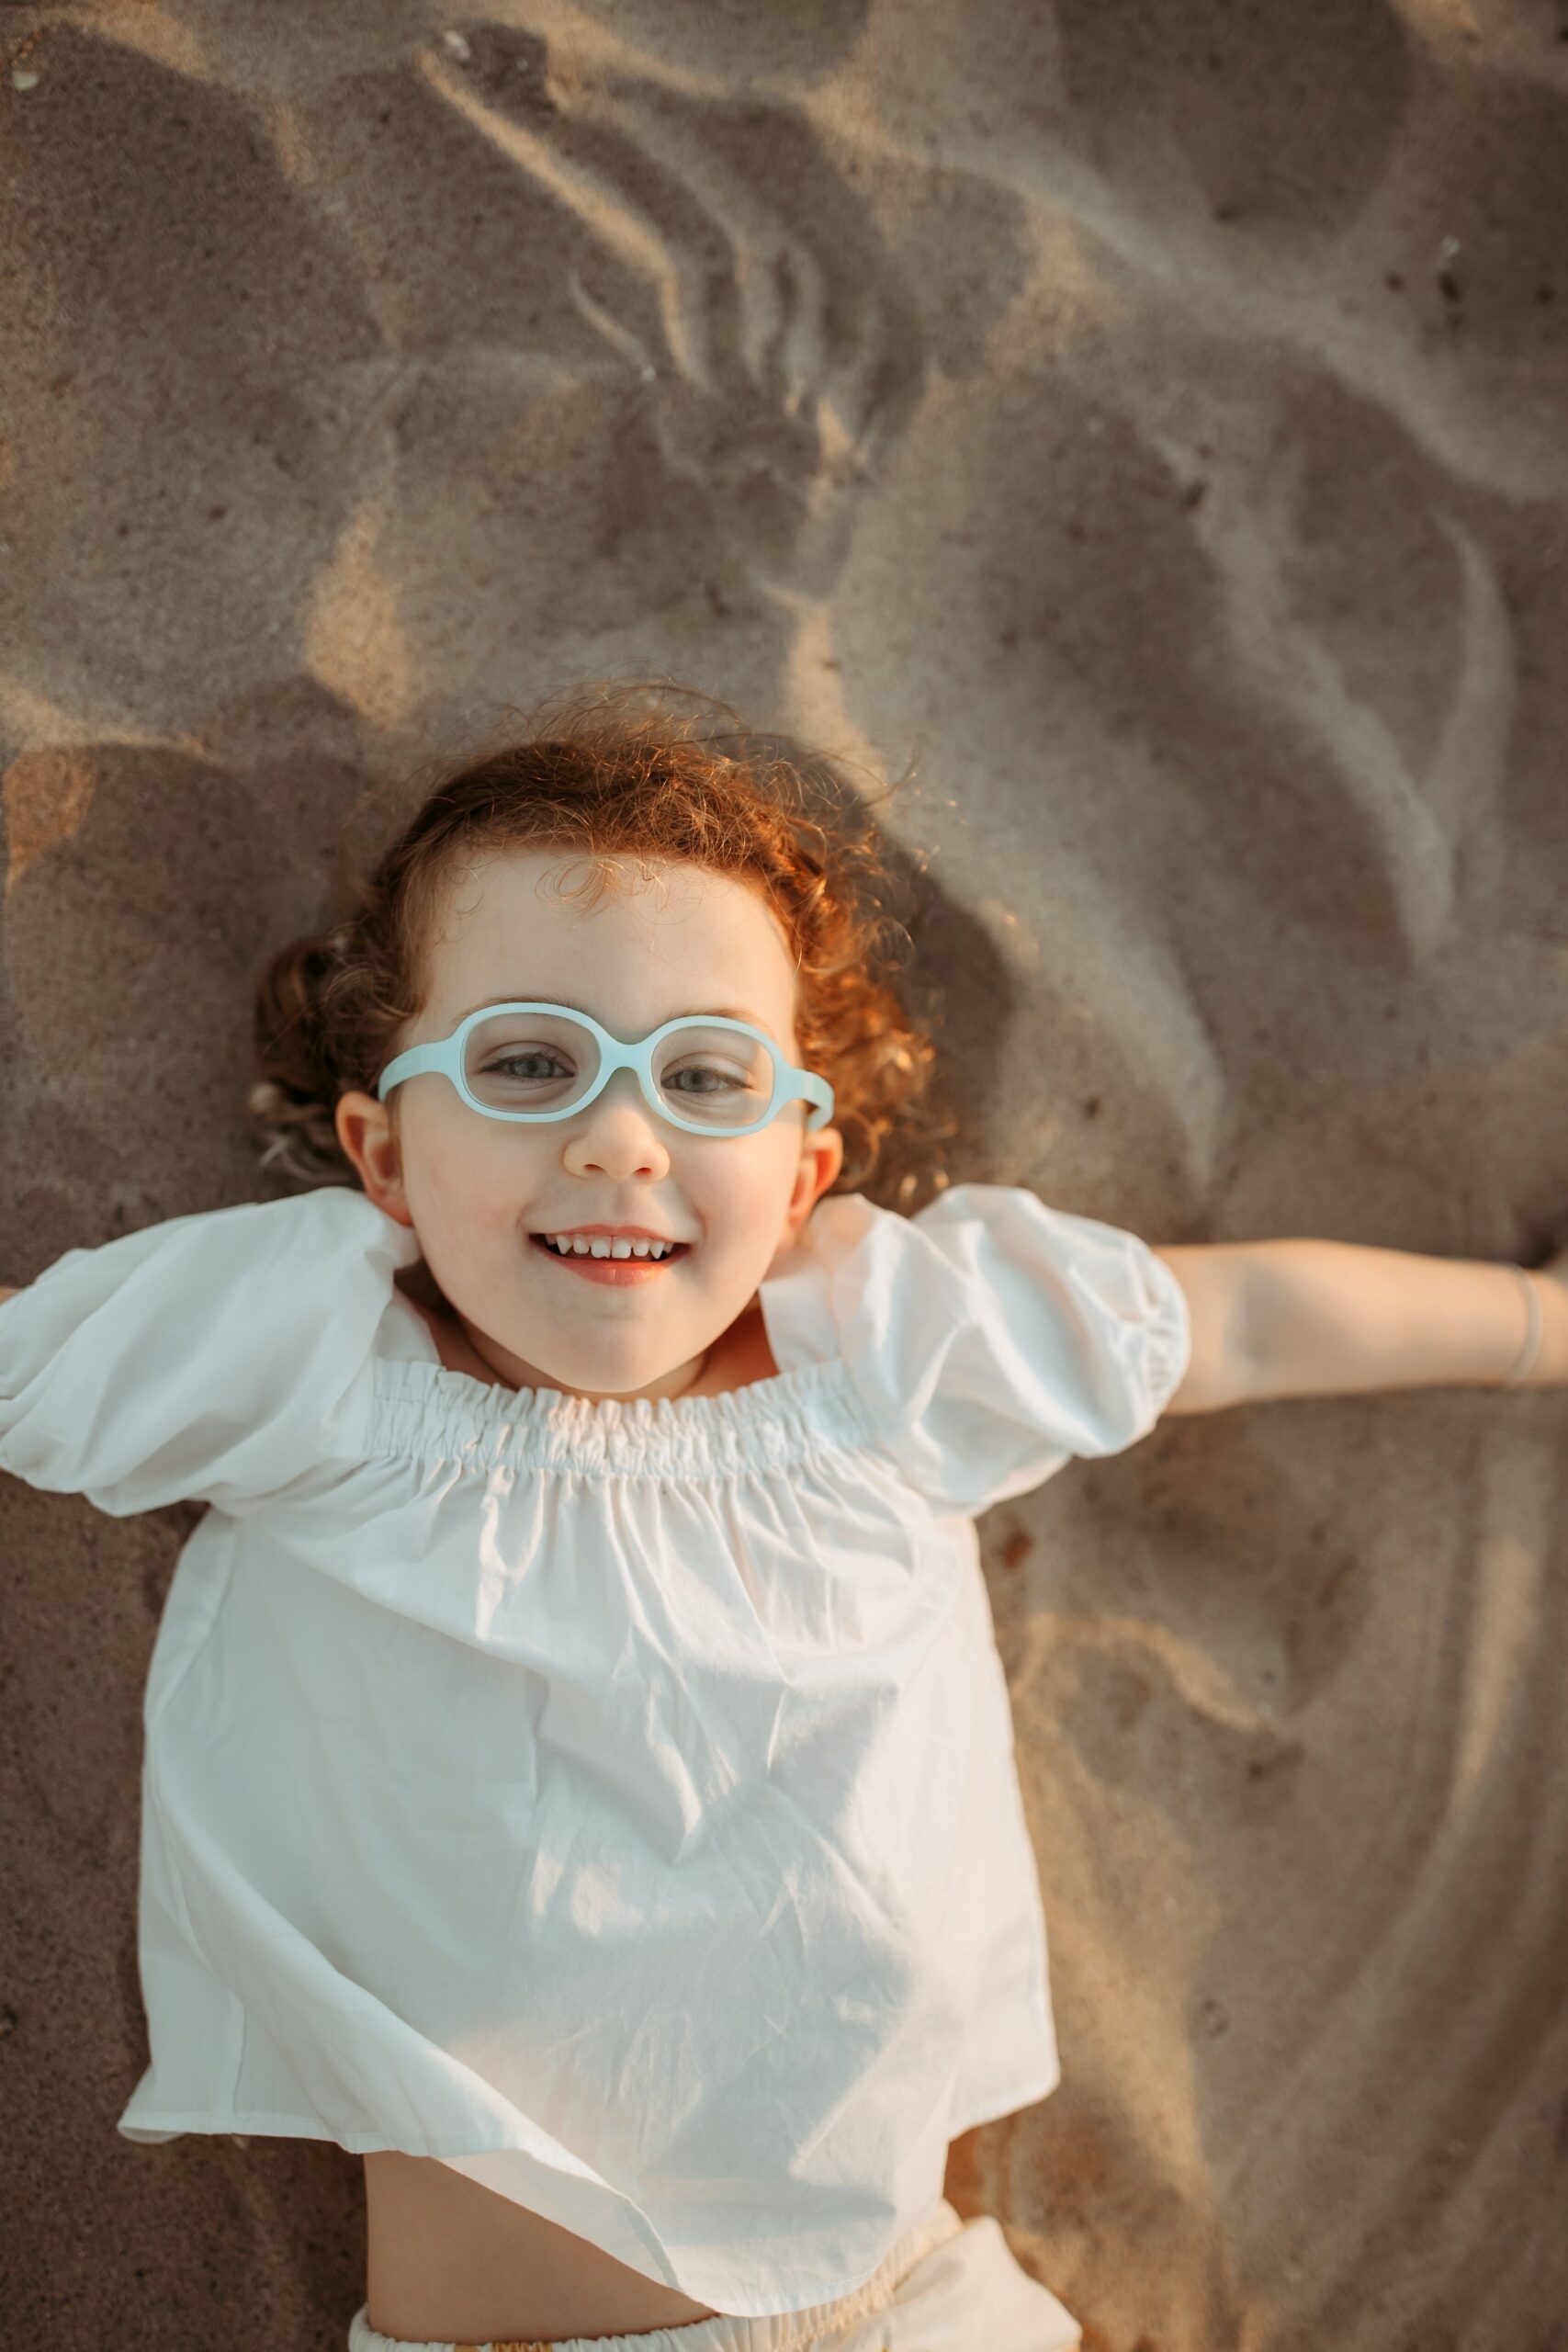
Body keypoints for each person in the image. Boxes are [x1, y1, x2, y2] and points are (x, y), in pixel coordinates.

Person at [2, 681, 1562, 2352]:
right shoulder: (307, 1358)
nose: (617, 1139)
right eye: (528, 1063)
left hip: (917, 2308)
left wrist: (1543, 1328)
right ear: (386, 1156)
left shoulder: (889, 1351)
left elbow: (1233, 1327)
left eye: (702, 1074)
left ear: (805, 1168)